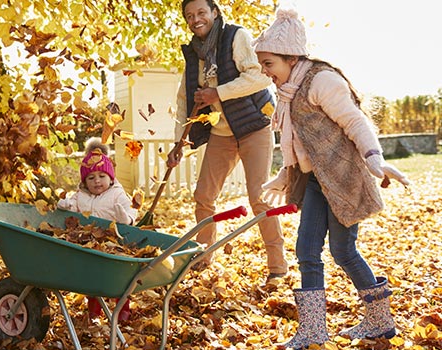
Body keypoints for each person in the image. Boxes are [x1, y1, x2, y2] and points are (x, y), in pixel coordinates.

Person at [253, 9, 410, 349]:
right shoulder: (289, 92)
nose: (266, 73)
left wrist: (375, 159)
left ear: (291, 57)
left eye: (269, 64)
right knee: (307, 250)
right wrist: (284, 175)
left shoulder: (322, 81)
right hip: (315, 182)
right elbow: (302, 143)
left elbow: (355, 122)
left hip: (341, 178)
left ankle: (380, 321)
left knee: (343, 250)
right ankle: (312, 330)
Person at [166, 0, 288, 282]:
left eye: (201, 12)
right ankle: (205, 254)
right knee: (203, 196)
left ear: (214, 13)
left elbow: (259, 77)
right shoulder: (193, 55)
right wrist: (178, 144)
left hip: (253, 126)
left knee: (259, 196)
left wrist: (218, 92)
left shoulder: (236, 36)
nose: (196, 19)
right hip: (221, 133)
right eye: (189, 15)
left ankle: (277, 267)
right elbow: (186, 101)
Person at [57, 138, 137, 321]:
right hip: (89, 244)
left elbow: (131, 208)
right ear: (85, 182)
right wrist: (66, 205)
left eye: (102, 176)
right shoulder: (81, 195)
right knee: (93, 279)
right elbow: (72, 207)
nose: (97, 181)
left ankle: (123, 308)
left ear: (111, 177)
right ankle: (94, 310)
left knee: (120, 278)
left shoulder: (117, 194)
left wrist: (126, 218)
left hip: (114, 242)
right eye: (91, 178)